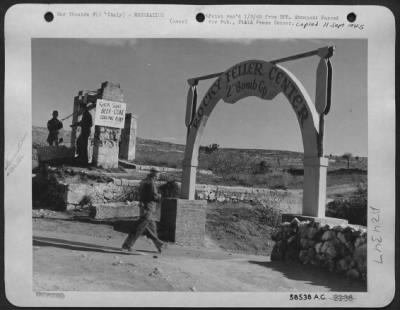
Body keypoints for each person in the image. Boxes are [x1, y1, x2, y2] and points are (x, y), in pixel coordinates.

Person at [122, 168, 166, 253]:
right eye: (158, 173)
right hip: (148, 208)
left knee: (152, 228)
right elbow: (154, 196)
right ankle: (128, 245)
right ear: (155, 174)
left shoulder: (145, 181)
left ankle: (158, 244)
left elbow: (141, 193)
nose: (159, 175)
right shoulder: (151, 183)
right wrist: (160, 197)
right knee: (140, 227)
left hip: (145, 207)